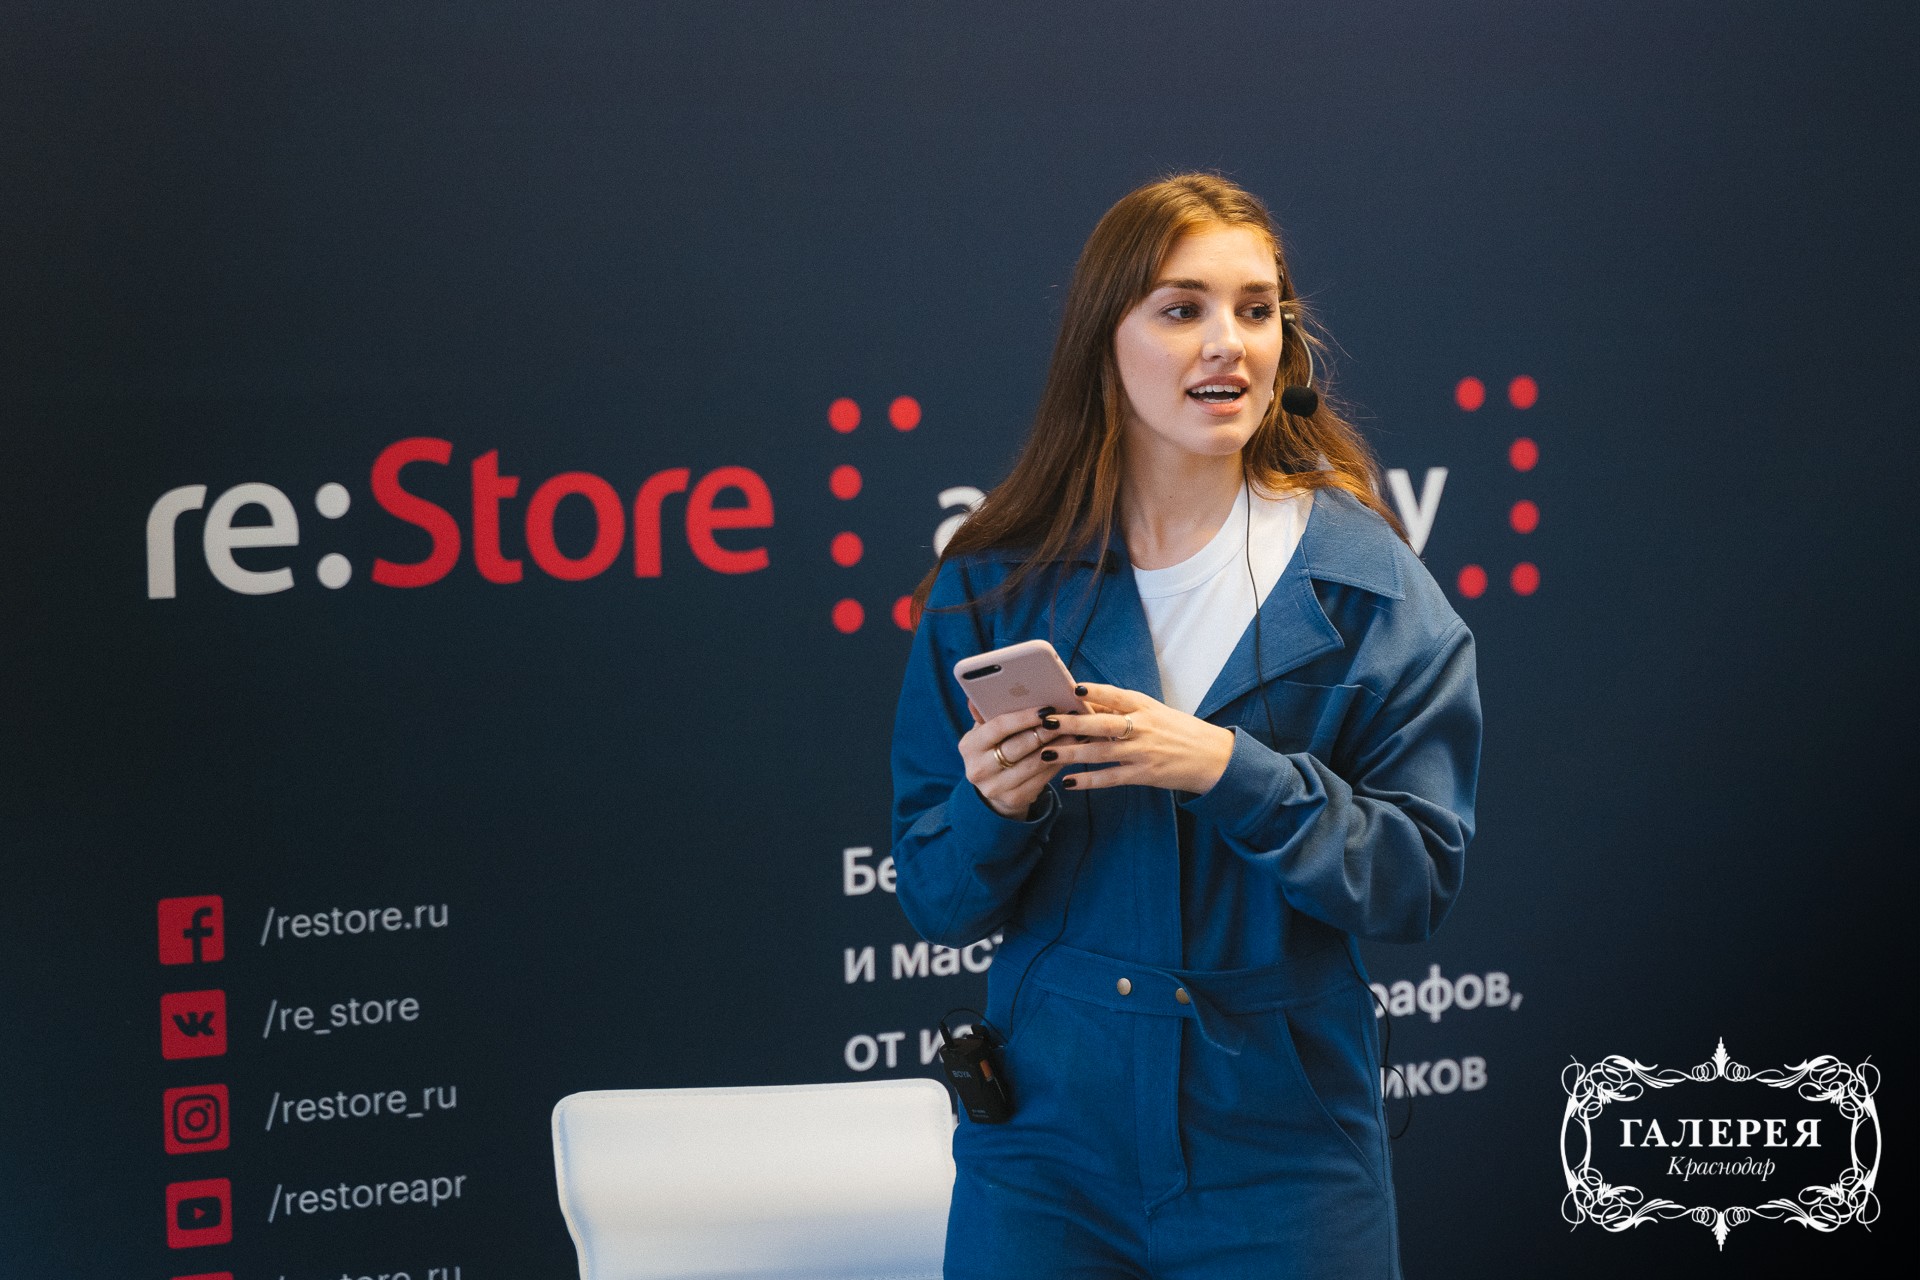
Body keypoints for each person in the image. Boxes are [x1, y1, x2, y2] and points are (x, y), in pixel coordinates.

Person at [889, 173, 1481, 1279]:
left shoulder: (1372, 589)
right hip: (1046, 1159)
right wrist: (993, 805)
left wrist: (1225, 768)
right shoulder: (993, 583)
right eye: (1181, 308)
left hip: (1284, 1162)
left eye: (1256, 310)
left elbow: (1413, 880)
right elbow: (934, 894)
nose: (1227, 343)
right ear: (1102, 342)